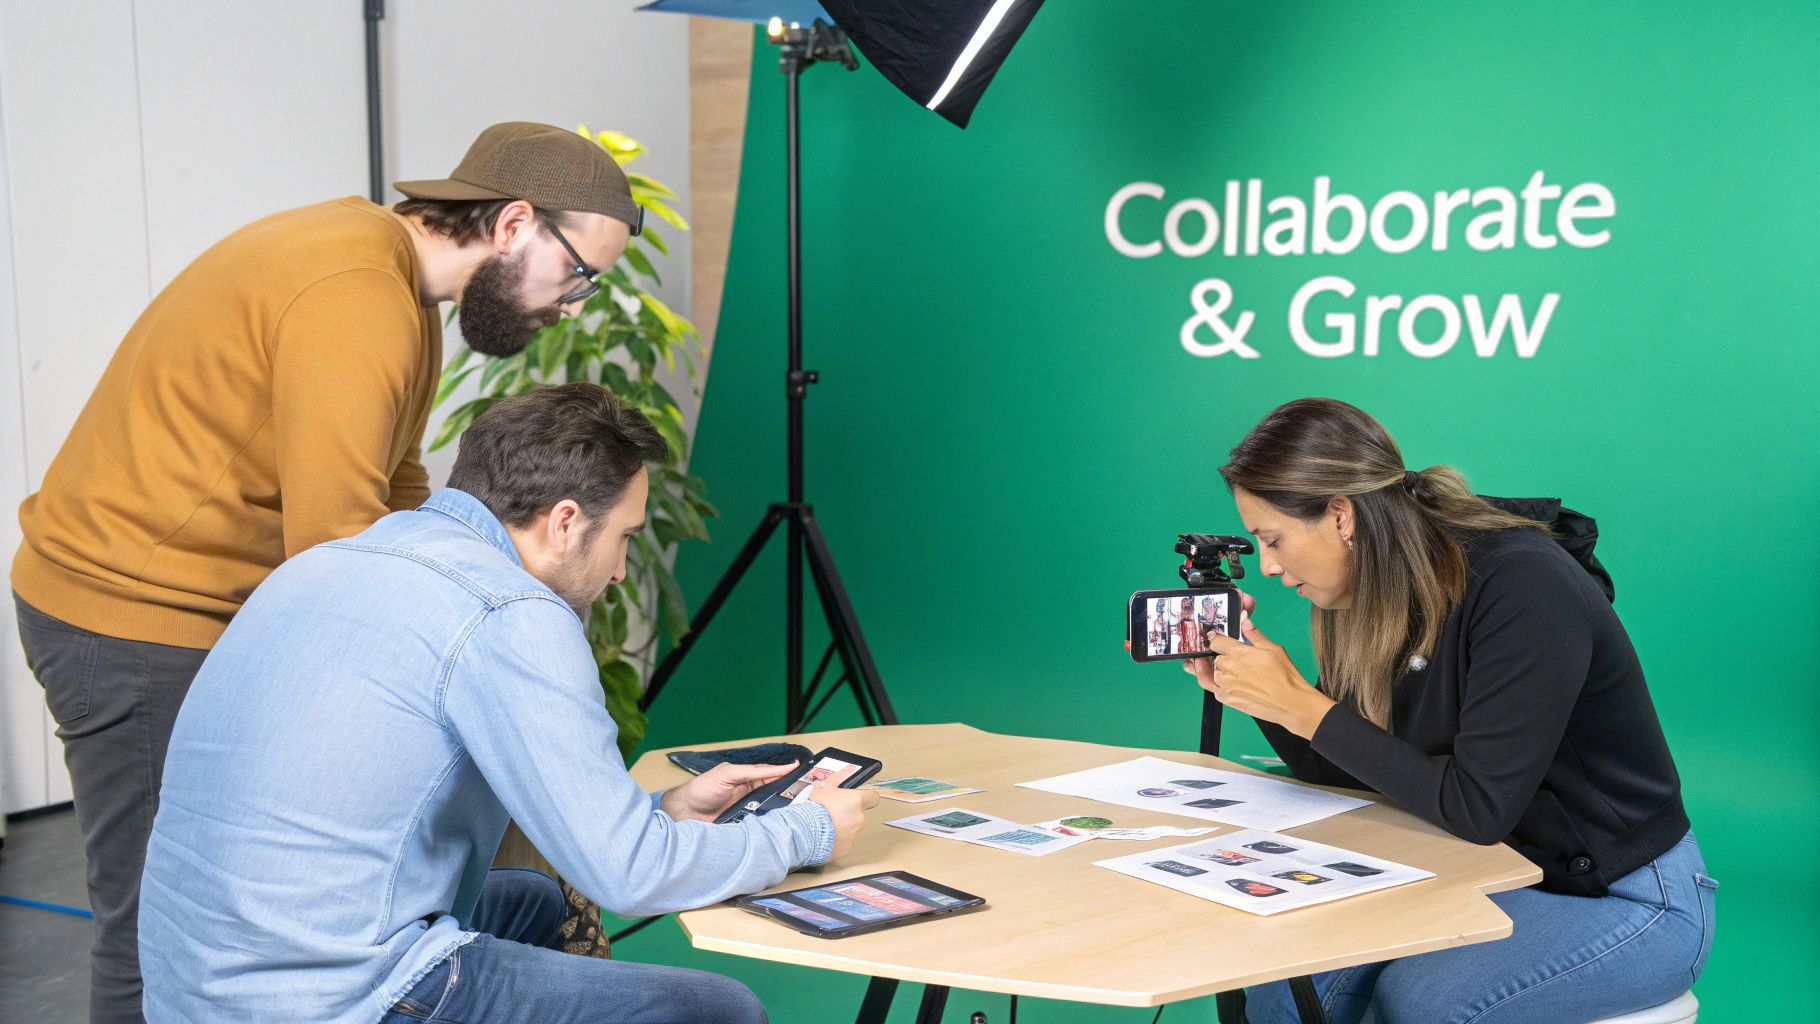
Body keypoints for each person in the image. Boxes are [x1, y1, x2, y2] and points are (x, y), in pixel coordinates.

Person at [11, 121, 640, 1024]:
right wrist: (503, 626)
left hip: (186, 604)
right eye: (579, 273)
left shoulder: (386, 281)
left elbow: (400, 485)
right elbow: (336, 554)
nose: (574, 305)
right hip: (135, 615)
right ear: (512, 225)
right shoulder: (356, 294)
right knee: (170, 934)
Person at [137, 383, 878, 1023]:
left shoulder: (328, 563)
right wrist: (805, 833)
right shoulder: (508, 611)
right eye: (623, 538)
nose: (621, 571)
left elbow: (594, 844)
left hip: (196, 988)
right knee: (721, 1011)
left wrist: (666, 814)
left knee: (538, 899)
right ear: (563, 522)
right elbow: (630, 878)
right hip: (338, 1000)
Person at [1187, 398, 1715, 1024]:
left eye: (1272, 540)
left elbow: (1479, 806)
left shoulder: (1523, 585)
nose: (1268, 566)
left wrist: (1303, 706)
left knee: (1423, 1002)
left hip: (1617, 893)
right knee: (1290, 976)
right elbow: (1348, 768)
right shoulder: (1375, 590)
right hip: (1483, 869)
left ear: (1340, 515)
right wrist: (1260, 694)